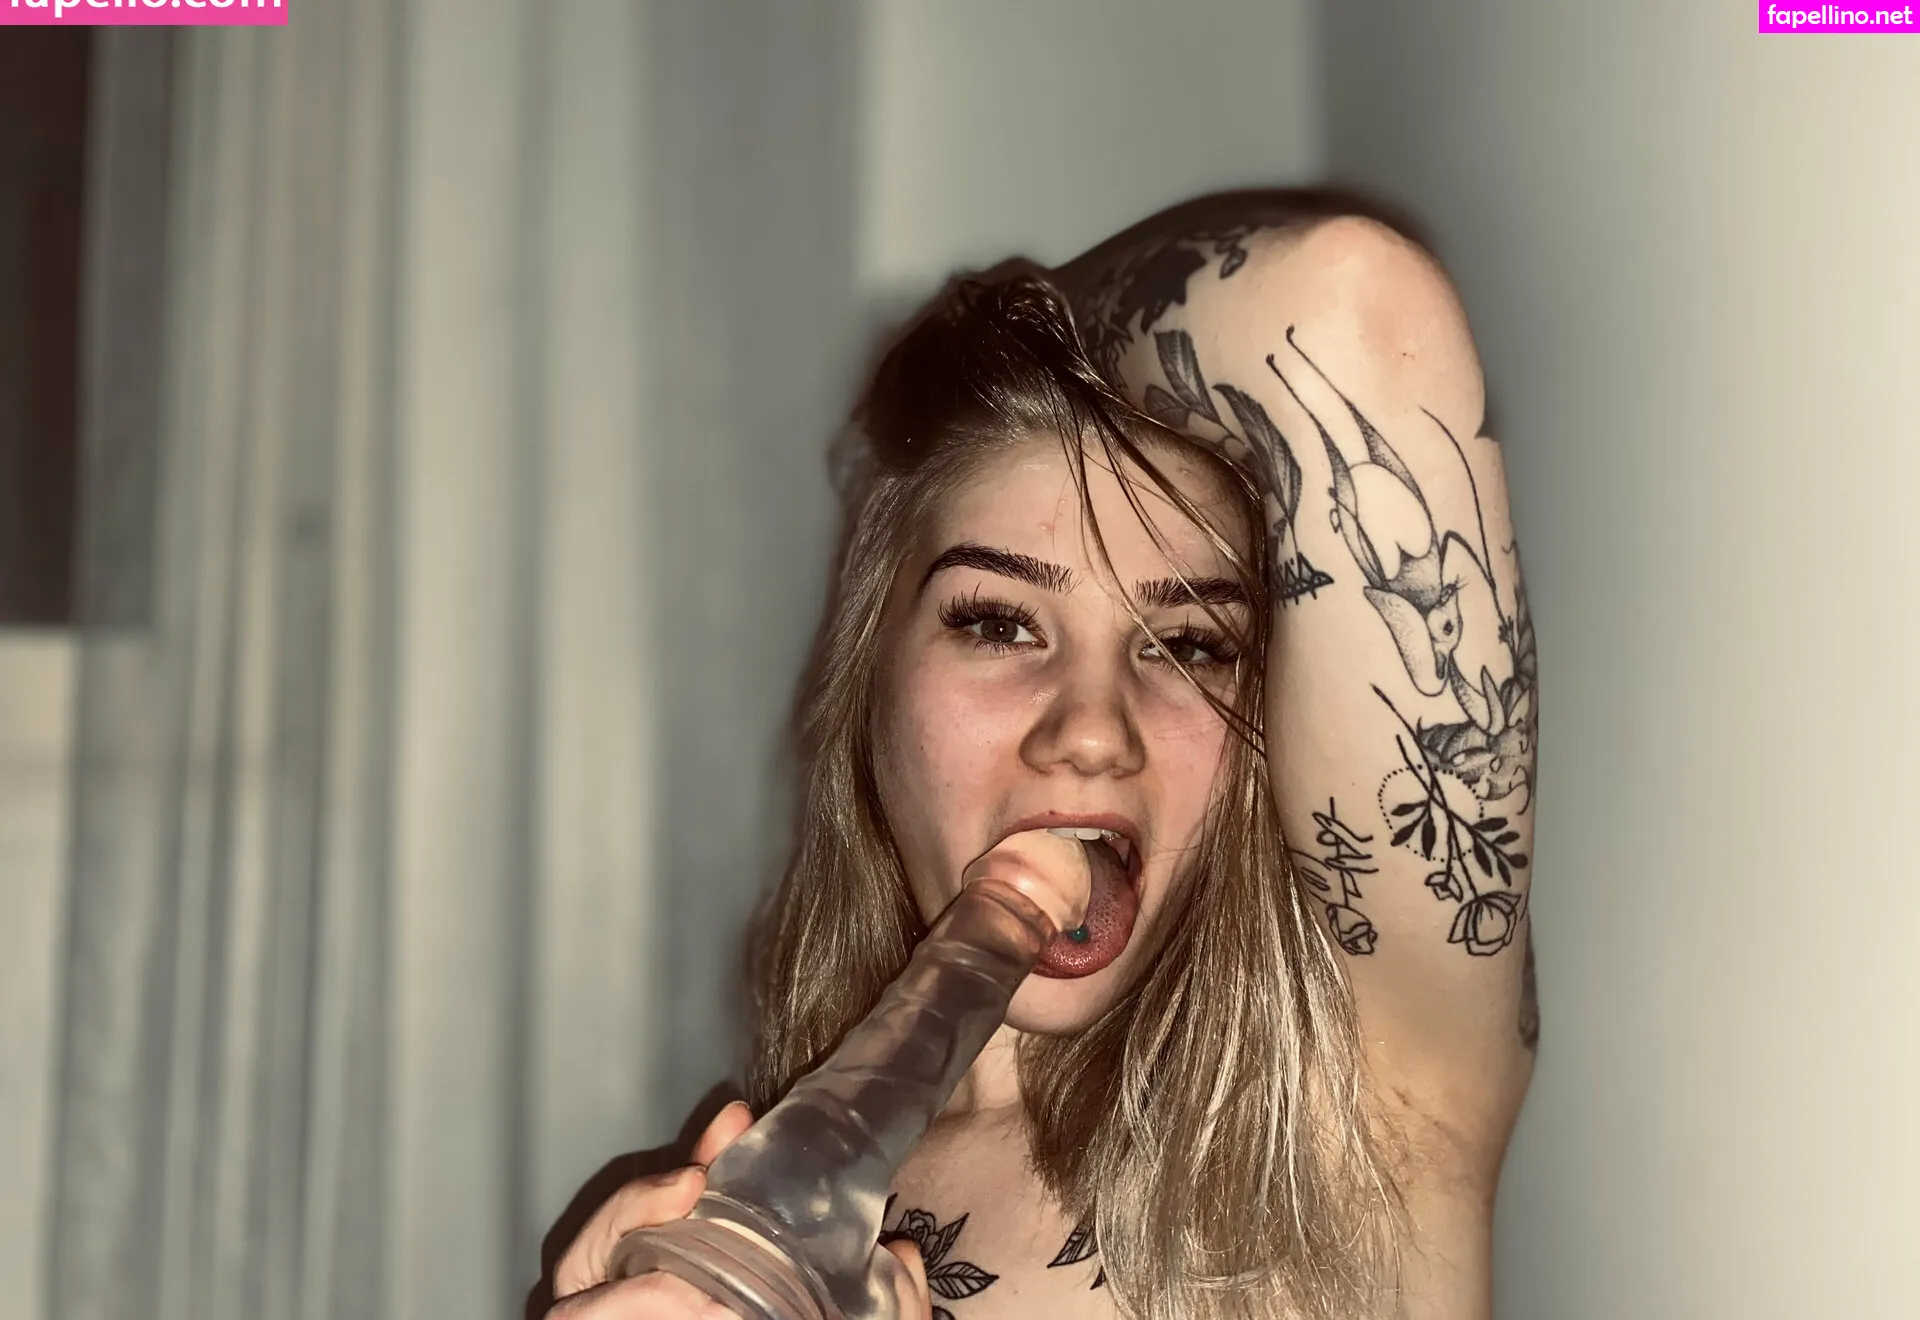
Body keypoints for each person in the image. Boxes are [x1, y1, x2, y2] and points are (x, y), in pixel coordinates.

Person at [543, 190, 1538, 1320]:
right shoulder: (773, 1195)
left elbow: (1347, 299)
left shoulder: (1354, 1106)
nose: (1094, 730)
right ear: (873, 680)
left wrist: (984, 346)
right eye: (999, 624)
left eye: (1191, 645)